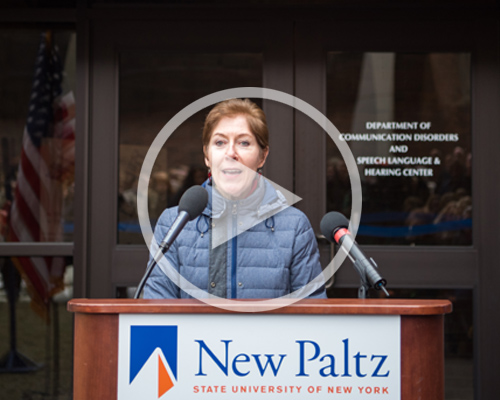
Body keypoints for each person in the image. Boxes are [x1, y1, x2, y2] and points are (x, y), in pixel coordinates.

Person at [144, 98, 326, 299]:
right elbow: (157, 309)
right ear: (207, 156)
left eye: (244, 143)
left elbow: (312, 316)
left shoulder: (294, 226)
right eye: (220, 142)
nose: (231, 153)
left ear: (262, 156)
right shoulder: (173, 222)